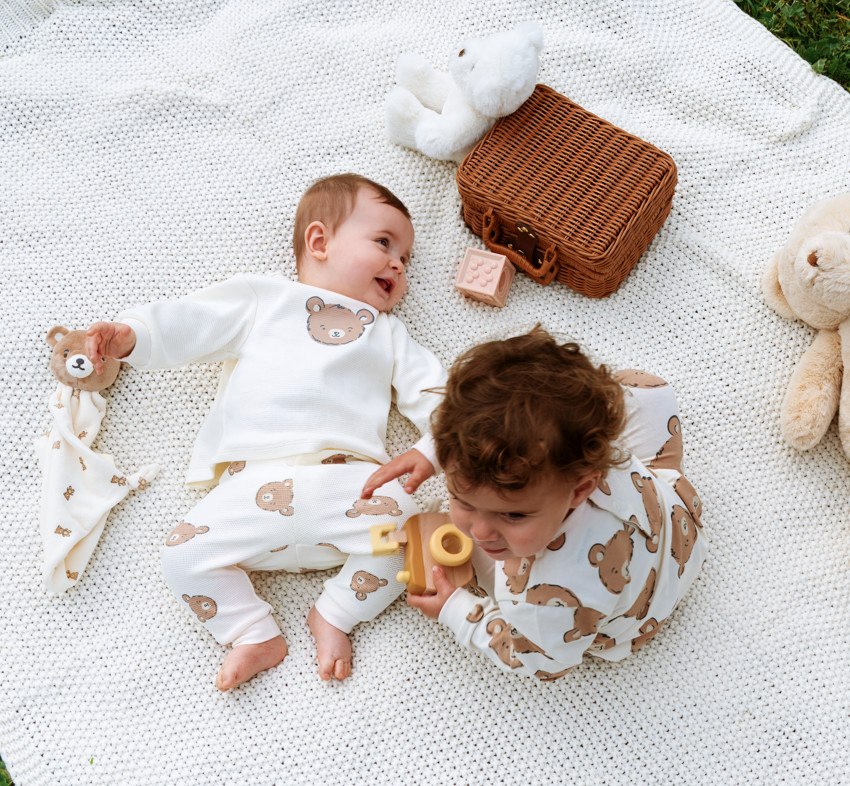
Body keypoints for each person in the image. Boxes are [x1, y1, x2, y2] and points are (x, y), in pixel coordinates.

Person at [85, 174, 445, 689]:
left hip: (348, 488)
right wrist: (132, 335)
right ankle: (253, 632)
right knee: (182, 555)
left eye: (405, 258)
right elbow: (194, 322)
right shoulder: (267, 299)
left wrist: (434, 446)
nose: (398, 264)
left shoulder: (387, 332)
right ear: (319, 241)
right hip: (250, 487)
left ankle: (336, 613)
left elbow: (439, 396)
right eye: (384, 242)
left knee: (417, 534)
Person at [362, 327, 706, 680]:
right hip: (677, 517)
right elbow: (489, 424)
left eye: (513, 514)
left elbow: (542, 664)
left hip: (634, 617)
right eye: (462, 499)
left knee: (447, 550)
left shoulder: (543, 597)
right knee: (640, 387)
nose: (480, 531)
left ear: (580, 489)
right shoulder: (585, 445)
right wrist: (434, 451)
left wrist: (456, 610)